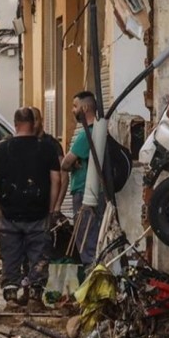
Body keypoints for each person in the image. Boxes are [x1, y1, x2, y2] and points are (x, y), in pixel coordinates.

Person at [0, 108, 64, 306]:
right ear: (33, 123)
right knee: (38, 254)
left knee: (10, 255)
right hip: (38, 212)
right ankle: (34, 296)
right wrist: (51, 207)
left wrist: (1, 206)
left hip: (10, 214)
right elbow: (56, 179)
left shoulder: (1, 149)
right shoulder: (46, 148)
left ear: (15, 124)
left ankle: (11, 296)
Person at [62, 91, 105, 265]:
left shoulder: (86, 135)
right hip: (97, 191)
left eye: (75, 106)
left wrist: (74, 162)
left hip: (84, 191)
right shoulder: (99, 131)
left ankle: (91, 273)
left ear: (85, 107)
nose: (73, 110)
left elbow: (65, 163)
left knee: (85, 236)